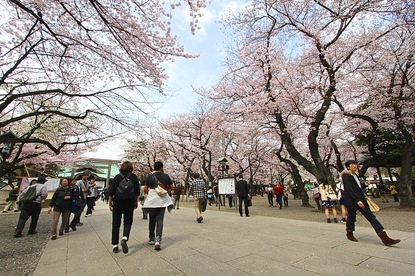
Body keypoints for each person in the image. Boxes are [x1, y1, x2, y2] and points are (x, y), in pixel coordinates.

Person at [342, 160, 400, 246]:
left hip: (361, 199)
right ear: (348, 167)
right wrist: (357, 200)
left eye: (355, 164)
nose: (355, 166)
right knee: (351, 217)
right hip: (353, 201)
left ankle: (384, 237)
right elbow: (350, 189)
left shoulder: (355, 175)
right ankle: (349, 232)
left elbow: (358, 187)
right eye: (352, 164)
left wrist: (365, 184)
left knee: (371, 217)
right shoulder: (346, 176)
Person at [108, 161, 140, 254]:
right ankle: (124, 238)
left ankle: (115, 245)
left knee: (116, 223)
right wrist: (136, 201)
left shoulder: (118, 177)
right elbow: (137, 192)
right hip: (129, 201)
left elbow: (111, 191)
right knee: (128, 221)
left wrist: (110, 202)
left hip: (118, 202)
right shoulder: (134, 177)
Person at [142, 161, 174, 251]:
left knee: (152, 219)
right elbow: (171, 187)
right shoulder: (166, 176)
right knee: (160, 219)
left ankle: (151, 238)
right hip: (162, 201)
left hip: (152, 201)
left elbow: (145, 189)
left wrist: (151, 194)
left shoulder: (149, 176)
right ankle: (158, 240)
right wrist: (164, 189)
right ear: (161, 167)